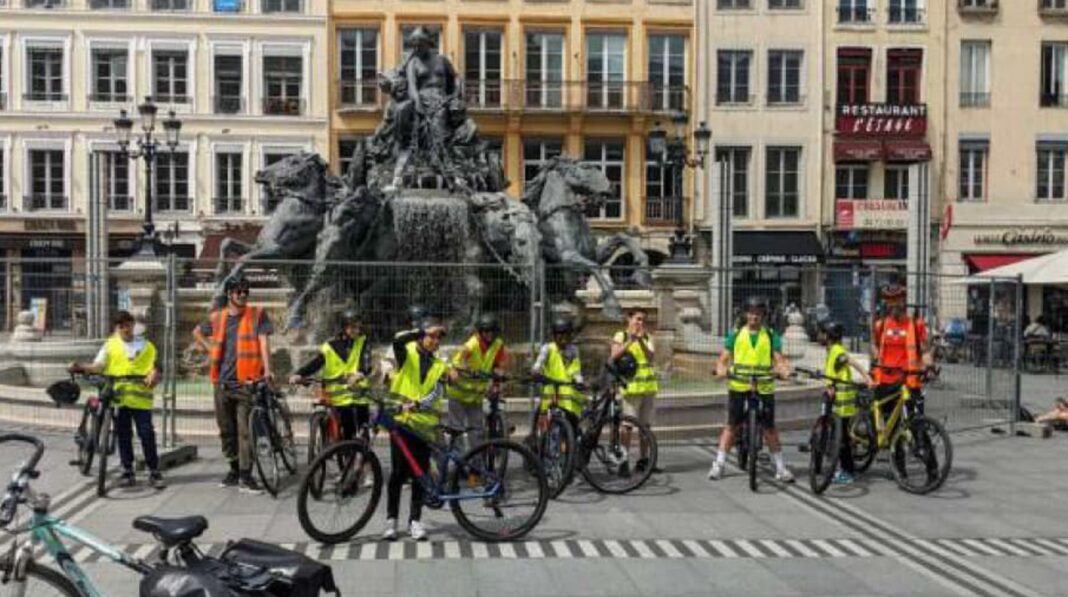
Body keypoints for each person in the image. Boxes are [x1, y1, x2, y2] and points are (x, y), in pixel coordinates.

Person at [192, 275, 273, 494]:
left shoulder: (257, 314)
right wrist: (210, 348)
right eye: (238, 291)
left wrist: (268, 369)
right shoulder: (218, 317)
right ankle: (234, 470)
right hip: (221, 382)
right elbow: (197, 332)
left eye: (246, 291)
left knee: (245, 432)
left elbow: (264, 342)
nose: (243, 295)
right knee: (226, 431)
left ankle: (247, 476)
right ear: (229, 294)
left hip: (247, 382)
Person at [70, 311, 164, 489]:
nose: (126, 329)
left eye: (128, 325)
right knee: (124, 435)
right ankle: (127, 471)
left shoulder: (146, 345)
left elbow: (156, 366)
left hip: (141, 399)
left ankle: (154, 471)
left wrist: (154, 373)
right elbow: (98, 366)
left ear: (133, 325)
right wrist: (81, 366)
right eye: (122, 326)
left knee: (146, 434)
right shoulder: (110, 345)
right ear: (116, 328)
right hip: (119, 397)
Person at [384, 316, 458, 542]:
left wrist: (452, 374)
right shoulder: (407, 354)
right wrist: (420, 331)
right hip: (401, 423)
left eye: (438, 338)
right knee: (397, 474)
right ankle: (391, 521)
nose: (435, 341)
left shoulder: (439, 365)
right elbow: (397, 342)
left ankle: (414, 522)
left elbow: (439, 390)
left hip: (425, 427)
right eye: (432, 336)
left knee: (420, 475)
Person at [709, 297, 794, 483]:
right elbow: (723, 359)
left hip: (764, 386)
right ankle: (719, 464)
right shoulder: (736, 334)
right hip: (739, 384)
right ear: (745, 314)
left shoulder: (771, 336)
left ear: (762, 315)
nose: (754, 316)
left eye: (757, 313)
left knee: (769, 427)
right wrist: (721, 369)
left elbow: (779, 359)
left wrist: (784, 370)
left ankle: (780, 467)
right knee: (732, 425)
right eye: (751, 312)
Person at [290, 309, 373, 441]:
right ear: (344, 327)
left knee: (363, 431)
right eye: (352, 327)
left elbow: (366, 362)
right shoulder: (329, 346)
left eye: (358, 327)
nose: (356, 331)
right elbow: (316, 363)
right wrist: (299, 374)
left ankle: (364, 458)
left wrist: (360, 374)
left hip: (358, 393)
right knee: (347, 430)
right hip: (336, 394)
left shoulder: (363, 342)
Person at [445, 313, 509, 453]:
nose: (489, 334)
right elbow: (456, 361)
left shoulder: (498, 345)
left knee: (477, 432)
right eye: (486, 331)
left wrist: (499, 375)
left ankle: (476, 466)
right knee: (457, 432)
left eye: (492, 331)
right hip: (458, 394)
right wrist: (465, 368)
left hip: (476, 396)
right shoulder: (471, 345)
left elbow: (502, 363)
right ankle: (459, 465)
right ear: (480, 331)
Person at [818, 320, 871, 485]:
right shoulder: (832, 350)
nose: (819, 335)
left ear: (828, 336)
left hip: (842, 404)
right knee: (841, 439)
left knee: (842, 441)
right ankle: (845, 468)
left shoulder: (836, 350)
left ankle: (847, 472)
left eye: (822, 333)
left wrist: (866, 377)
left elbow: (851, 362)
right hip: (838, 402)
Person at [870, 283, 933, 419]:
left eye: (897, 300)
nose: (894, 305)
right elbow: (874, 345)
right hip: (885, 382)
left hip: (909, 381)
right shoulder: (880, 325)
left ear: (904, 301)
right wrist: (875, 360)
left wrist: (928, 367)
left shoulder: (916, 325)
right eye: (890, 301)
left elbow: (925, 351)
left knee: (916, 424)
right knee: (886, 425)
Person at [610, 308, 660, 476]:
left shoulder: (647, 337)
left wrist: (639, 341)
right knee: (627, 427)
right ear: (629, 319)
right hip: (630, 389)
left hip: (648, 388)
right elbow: (614, 356)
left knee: (646, 427)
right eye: (638, 319)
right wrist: (630, 341)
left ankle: (644, 460)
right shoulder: (621, 336)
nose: (641, 323)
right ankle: (623, 461)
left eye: (643, 320)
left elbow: (651, 357)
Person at [531, 316, 586, 433]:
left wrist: (579, 381)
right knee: (548, 428)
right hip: (552, 396)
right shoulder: (548, 349)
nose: (563, 339)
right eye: (560, 335)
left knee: (573, 431)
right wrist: (536, 373)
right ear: (554, 336)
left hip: (569, 399)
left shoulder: (574, 350)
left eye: (567, 335)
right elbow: (538, 364)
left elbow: (576, 370)